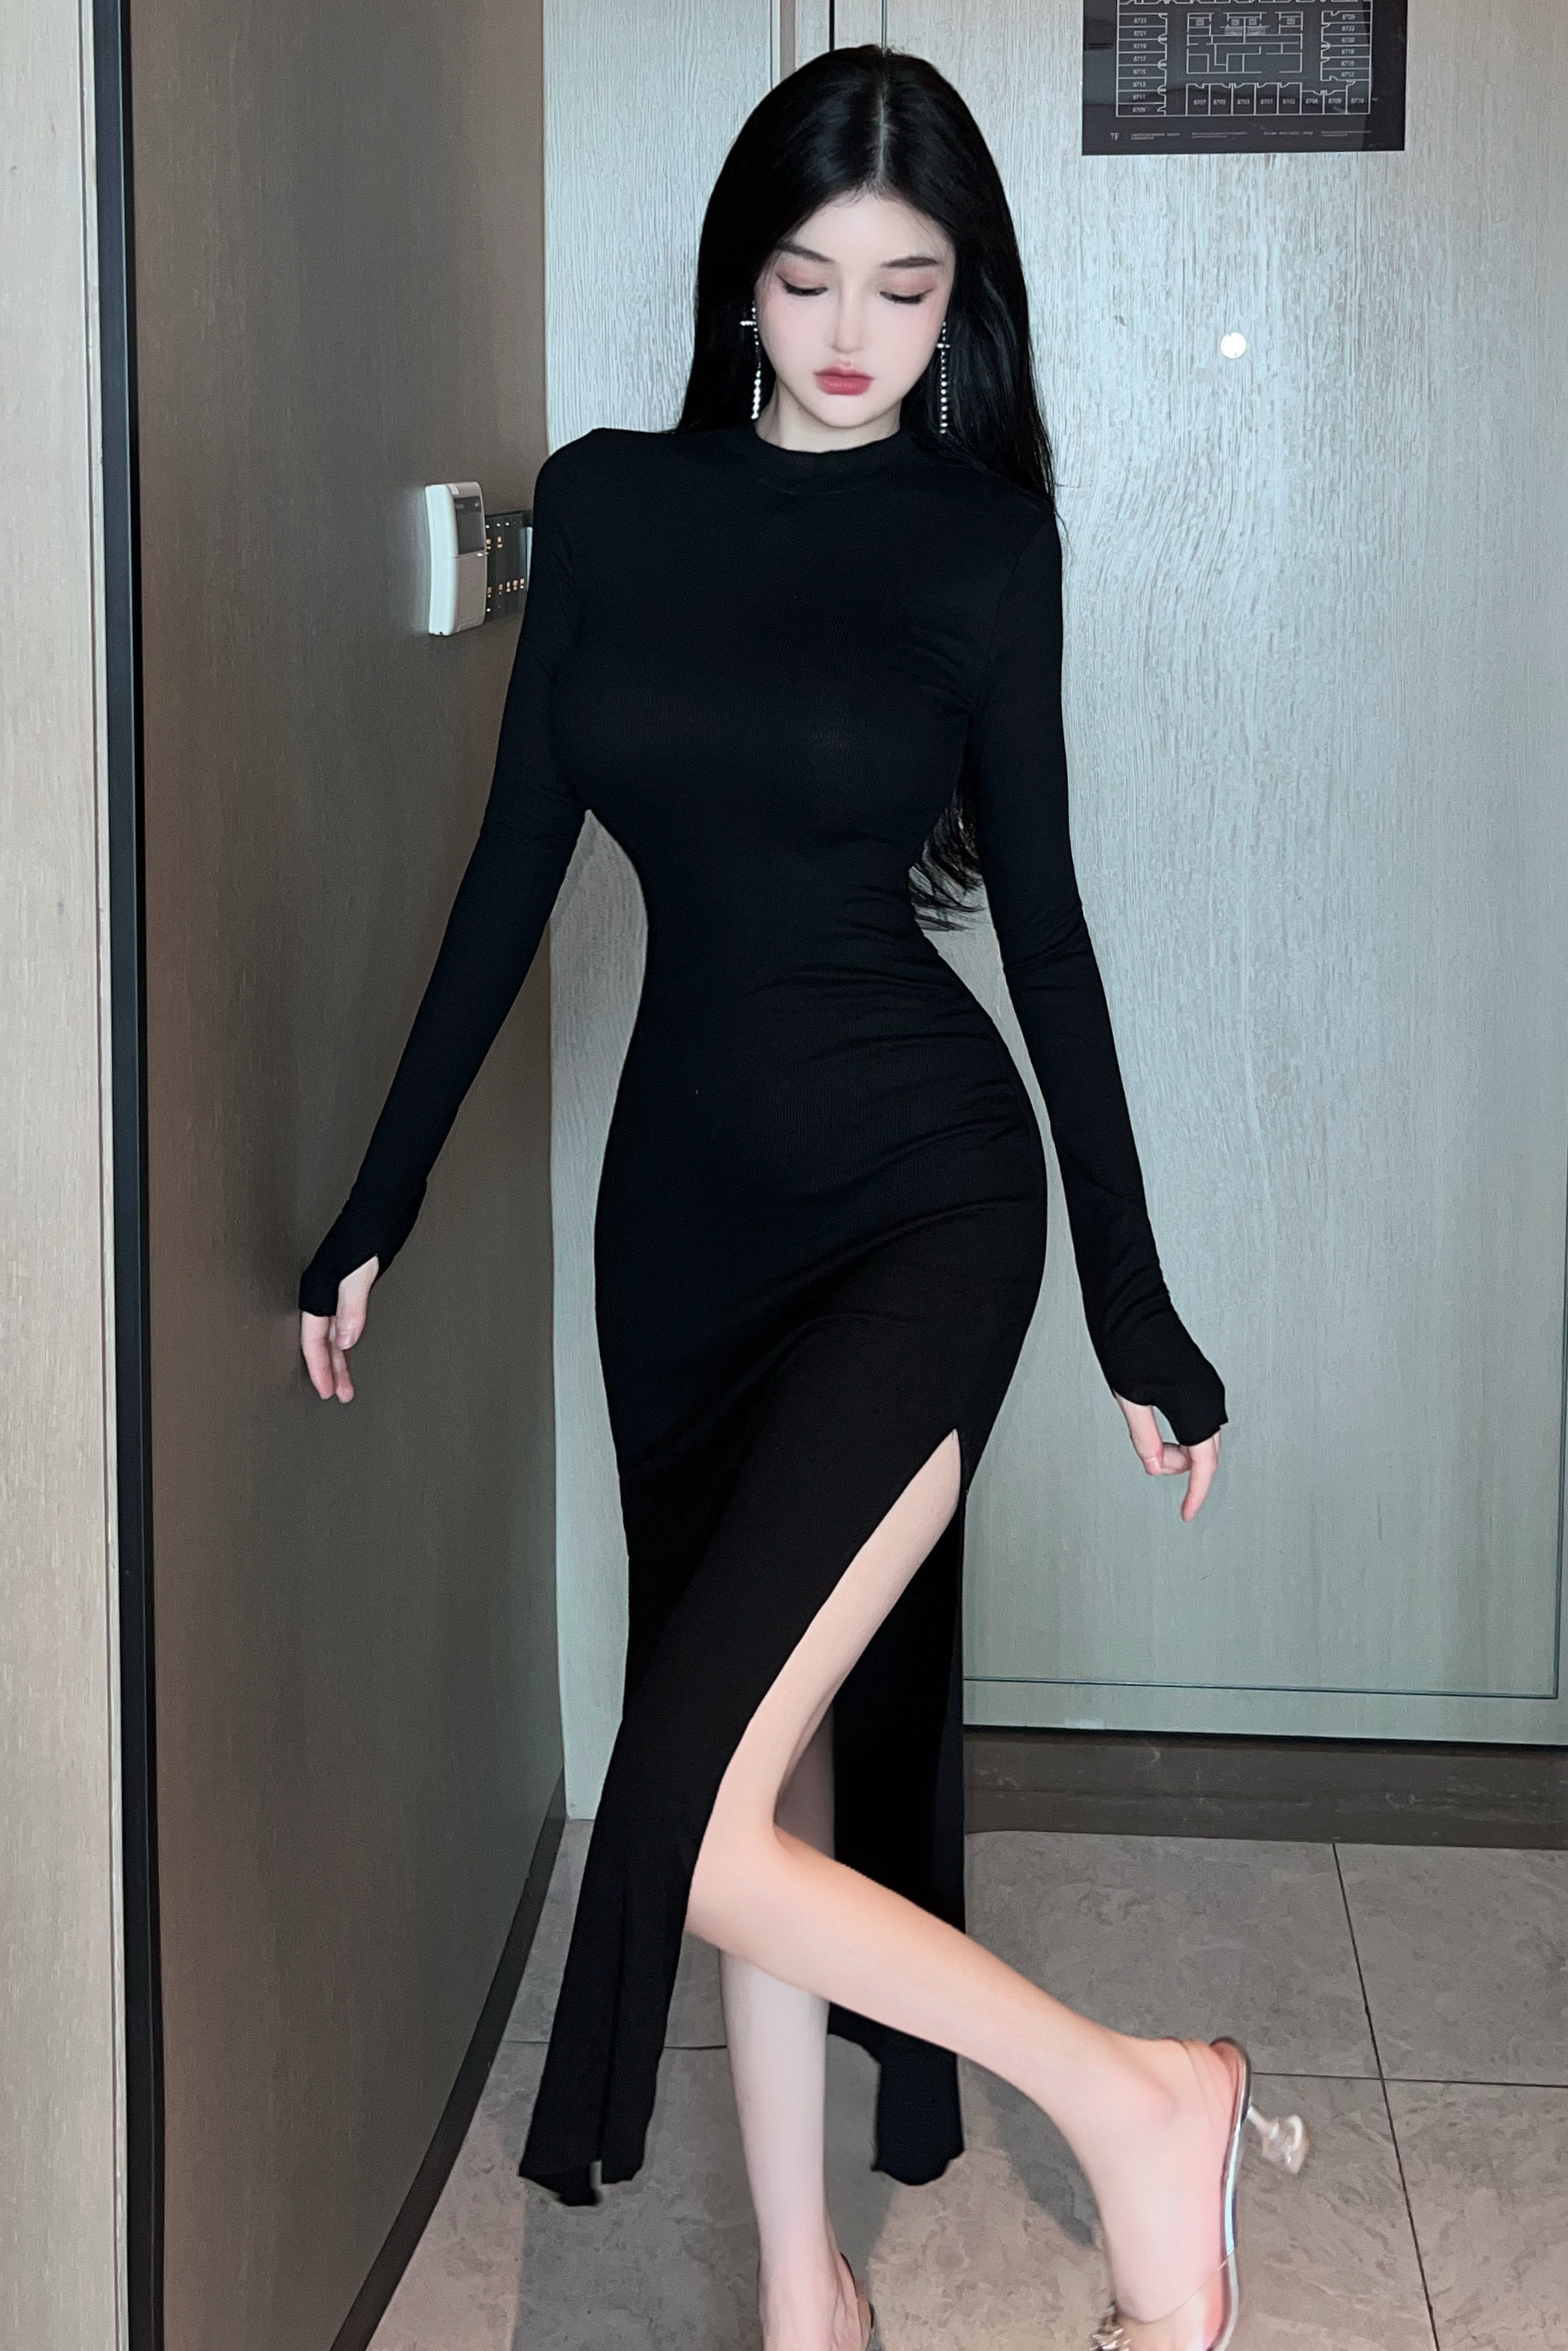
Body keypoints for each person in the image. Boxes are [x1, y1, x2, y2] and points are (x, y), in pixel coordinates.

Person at [298, 45, 1307, 2351]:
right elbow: (511, 870)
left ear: (962, 304)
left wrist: (1136, 1311)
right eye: (808, 277)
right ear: (737, 283)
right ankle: (799, 2290)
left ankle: (1141, 2097)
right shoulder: (610, 506)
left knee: (679, 1805)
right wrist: (379, 1198)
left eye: (906, 288)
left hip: (920, 1210)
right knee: (756, 1765)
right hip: (678, 1231)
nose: (853, 334)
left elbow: (1046, 935)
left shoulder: (981, 544)